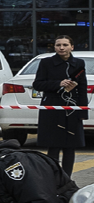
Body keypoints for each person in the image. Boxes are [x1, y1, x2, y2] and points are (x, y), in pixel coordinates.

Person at [32, 35, 88, 177]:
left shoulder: (79, 63)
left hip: (72, 108)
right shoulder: (46, 63)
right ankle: (53, 177)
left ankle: (67, 179)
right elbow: (37, 84)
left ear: (72, 47)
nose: (61, 48)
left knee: (70, 146)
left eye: (65, 45)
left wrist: (82, 111)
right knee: (53, 146)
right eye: (58, 45)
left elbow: (82, 88)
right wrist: (58, 83)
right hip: (52, 107)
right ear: (54, 47)